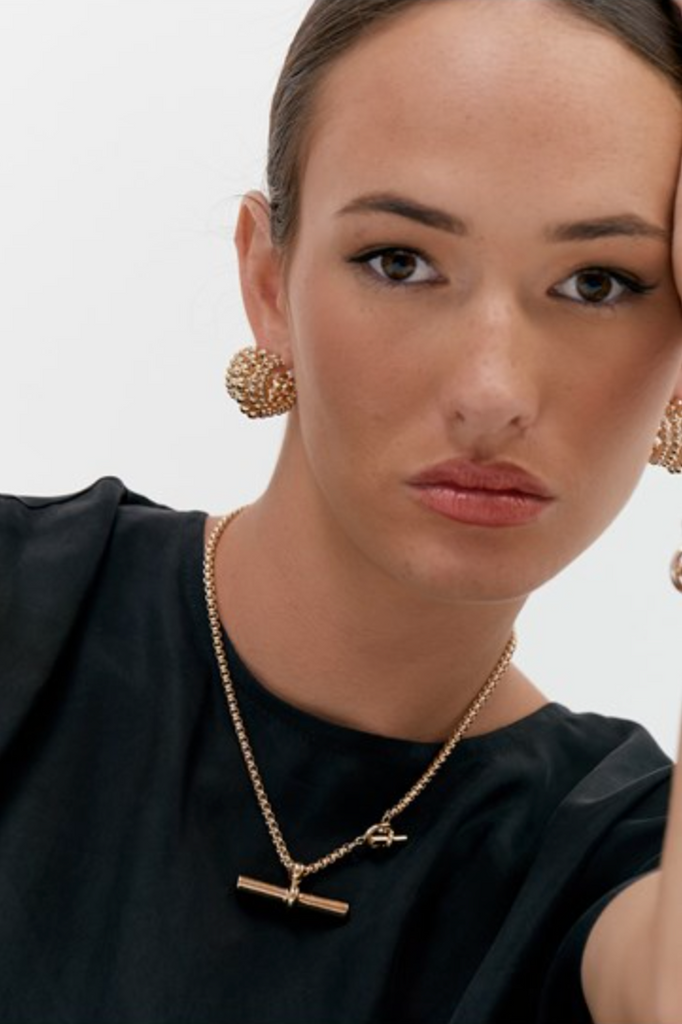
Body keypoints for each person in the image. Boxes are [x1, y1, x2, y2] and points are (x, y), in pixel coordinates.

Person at [2, 0, 682, 1021]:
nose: (491, 392)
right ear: (267, 281)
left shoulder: (622, 858)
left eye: (597, 282)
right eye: (399, 261)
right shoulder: (28, 611)